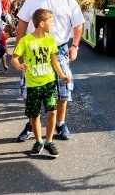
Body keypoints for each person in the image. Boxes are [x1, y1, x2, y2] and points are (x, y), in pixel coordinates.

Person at [14, 0, 84, 142]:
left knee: (62, 89)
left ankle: (60, 124)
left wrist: (74, 46)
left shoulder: (69, 1)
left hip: (59, 49)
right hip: (33, 51)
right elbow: (22, 23)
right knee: (29, 90)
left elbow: (78, 25)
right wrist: (18, 51)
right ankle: (31, 123)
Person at [12, 9, 71, 159]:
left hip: (49, 82)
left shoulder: (50, 40)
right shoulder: (26, 41)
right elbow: (14, 57)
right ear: (42, 23)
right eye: (51, 21)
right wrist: (18, 65)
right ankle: (38, 141)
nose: (53, 24)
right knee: (35, 113)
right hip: (32, 84)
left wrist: (62, 75)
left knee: (52, 112)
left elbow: (54, 60)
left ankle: (49, 142)